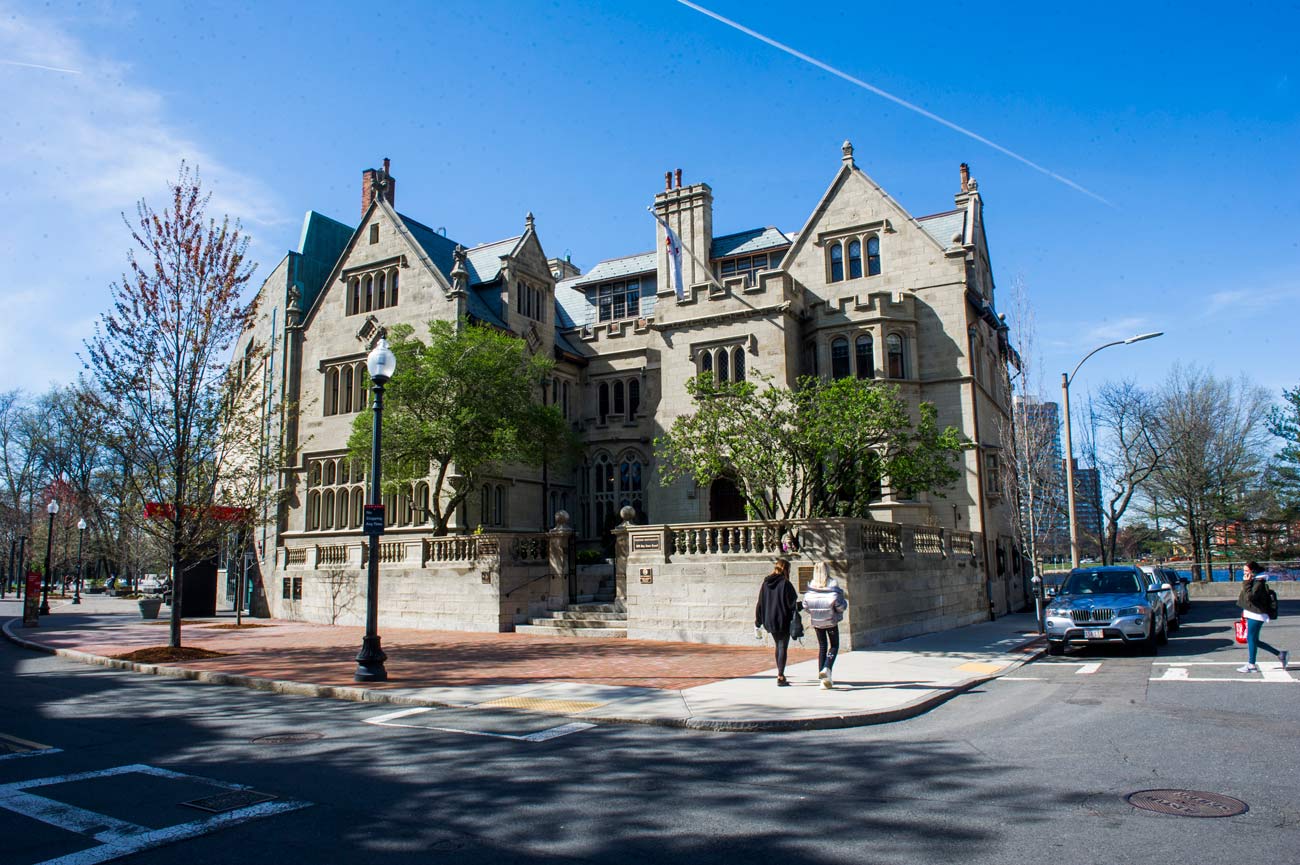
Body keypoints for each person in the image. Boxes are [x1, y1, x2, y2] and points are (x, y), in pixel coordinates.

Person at [1237, 561, 1288, 673]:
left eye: (1246, 571)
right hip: (1252, 612)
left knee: (1251, 639)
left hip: (1257, 614)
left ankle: (1251, 665)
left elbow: (1250, 597)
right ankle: (1280, 654)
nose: (1244, 573)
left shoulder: (1259, 582)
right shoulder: (1255, 580)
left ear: (1253, 571)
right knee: (1253, 640)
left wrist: (1246, 583)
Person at [803, 562, 848, 689]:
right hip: (830, 620)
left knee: (822, 646)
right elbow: (840, 606)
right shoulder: (833, 587)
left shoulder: (810, 590)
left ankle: (823, 678)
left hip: (817, 621)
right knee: (834, 646)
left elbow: (806, 606)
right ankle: (827, 667)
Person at [755, 557, 799, 686]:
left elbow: (760, 603)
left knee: (778, 645)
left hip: (769, 619)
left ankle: (780, 672)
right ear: (786, 569)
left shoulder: (765, 583)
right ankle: (780, 675)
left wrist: (758, 621)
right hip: (783, 619)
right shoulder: (785, 583)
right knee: (782, 646)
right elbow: (792, 604)